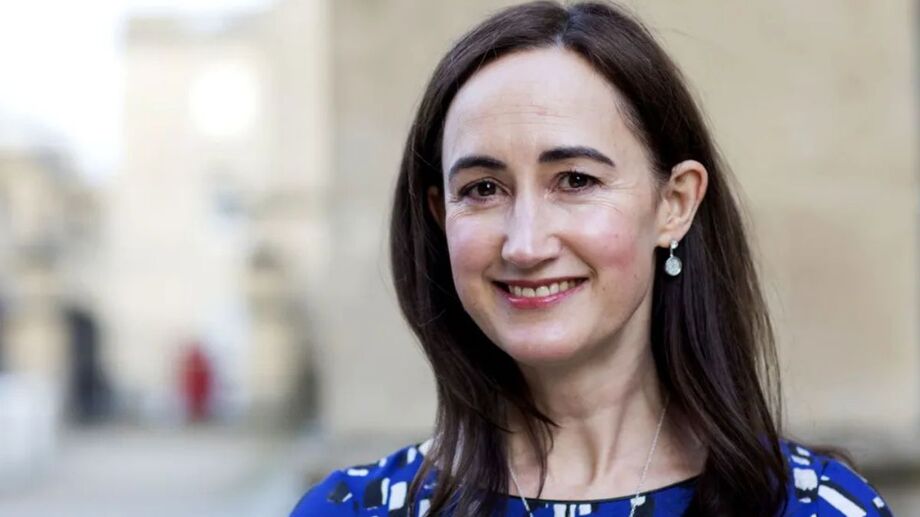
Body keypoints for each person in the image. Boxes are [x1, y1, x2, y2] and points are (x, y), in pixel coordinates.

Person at [291, 1, 892, 515]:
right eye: (483, 188)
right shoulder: (355, 510)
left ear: (674, 204)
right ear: (439, 214)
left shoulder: (814, 507)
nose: (526, 244)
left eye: (575, 180)